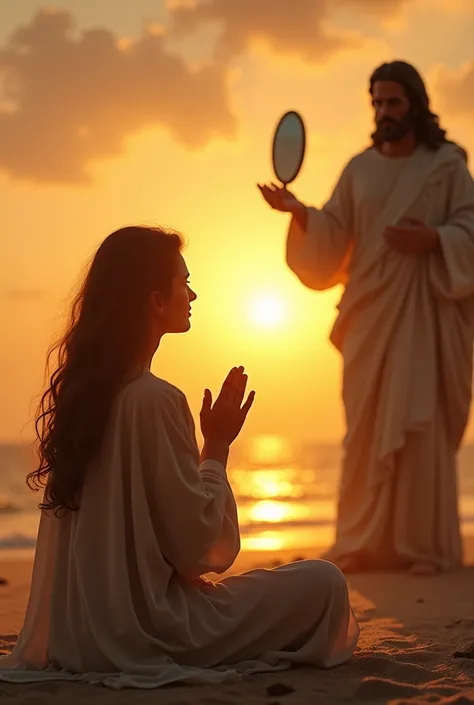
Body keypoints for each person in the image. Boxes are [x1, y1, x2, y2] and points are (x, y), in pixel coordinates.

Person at [0, 226, 359, 689]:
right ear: (154, 300)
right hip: (155, 631)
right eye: (183, 281)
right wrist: (218, 446)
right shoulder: (155, 399)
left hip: (78, 637)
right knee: (324, 583)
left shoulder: (81, 399)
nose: (192, 293)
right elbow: (199, 548)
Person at [259, 60, 474, 576]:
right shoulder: (358, 167)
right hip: (369, 316)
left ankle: (422, 548)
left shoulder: (446, 164)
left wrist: (435, 240)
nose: (384, 111)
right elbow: (336, 231)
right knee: (363, 429)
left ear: (416, 104)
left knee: (418, 425)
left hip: (425, 310)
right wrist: (301, 213)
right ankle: (358, 542)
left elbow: (471, 227)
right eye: (377, 102)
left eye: (393, 102)